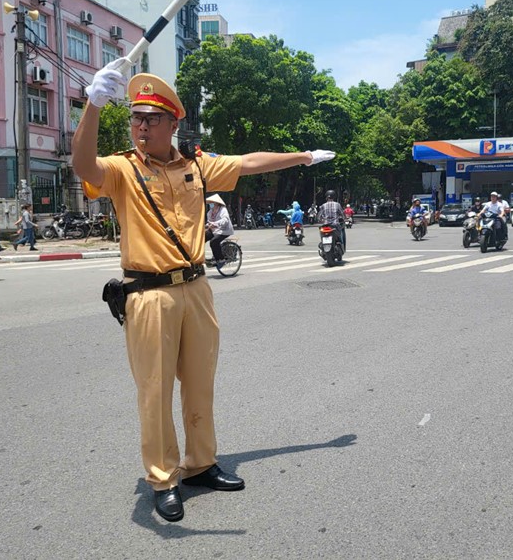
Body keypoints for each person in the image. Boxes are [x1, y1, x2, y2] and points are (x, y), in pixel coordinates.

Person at [73, 58, 335, 523]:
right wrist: (92, 106)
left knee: (200, 384)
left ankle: (200, 464)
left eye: (152, 119)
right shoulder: (122, 170)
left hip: (196, 288)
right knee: (154, 392)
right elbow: (82, 164)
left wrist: (303, 157)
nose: (141, 127)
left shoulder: (196, 166)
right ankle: (162, 477)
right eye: (136, 118)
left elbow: (249, 162)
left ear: (173, 123)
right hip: (148, 294)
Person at [204, 194, 234, 267]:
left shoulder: (223, 210)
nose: (210, 204)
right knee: (202, 238)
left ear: (216, 203)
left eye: (212, 202)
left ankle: (221, 259)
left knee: (214, 242)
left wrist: (215, 224)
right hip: (214, 230)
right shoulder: (210, 212)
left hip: (224, 230)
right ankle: (201, 257)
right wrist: (207, 225)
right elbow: (209, 222)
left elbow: (225, 220)